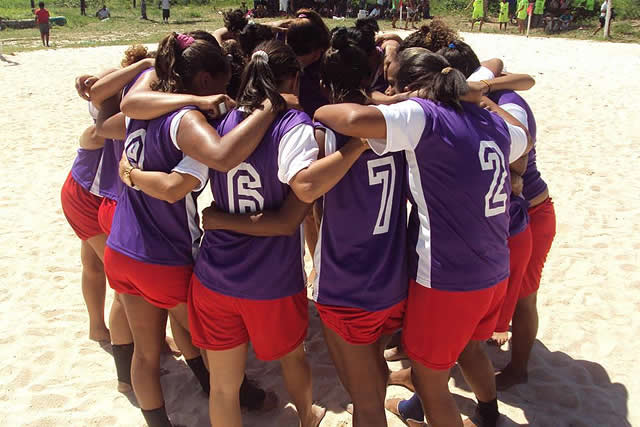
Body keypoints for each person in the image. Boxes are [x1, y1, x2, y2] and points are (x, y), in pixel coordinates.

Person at [315, 48, 532, 427]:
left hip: (448, 279)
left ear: (410, 87)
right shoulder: (488, 121)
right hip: (495, 269)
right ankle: (488, 412)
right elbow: (524, 139)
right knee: (467, 350)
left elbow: (342, 116)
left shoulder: (423, 115)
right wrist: (480, 97)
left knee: (431, 384)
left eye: (393, 83)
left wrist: (397, 103)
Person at [96, 33, 281, 427]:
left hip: (122, 248)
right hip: (164, 255)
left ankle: (158, 422)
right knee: (212, 340)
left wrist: (131, 173)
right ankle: (238, 390)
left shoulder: (140, 111)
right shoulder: (186, 120)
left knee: (147, 355)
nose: (224, 93)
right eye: (222, 82)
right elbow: (223, 156)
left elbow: (116, 113)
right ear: (202, 81)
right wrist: (268, 110)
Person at [188, 40, 372, 427]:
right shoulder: (292, 126)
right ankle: (307, 415)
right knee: (293, 356)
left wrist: (219, 219)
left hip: (215, 272)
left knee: (223, 387)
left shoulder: (223, 124)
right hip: (271, 277)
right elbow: (300, 196)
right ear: (294, 77)